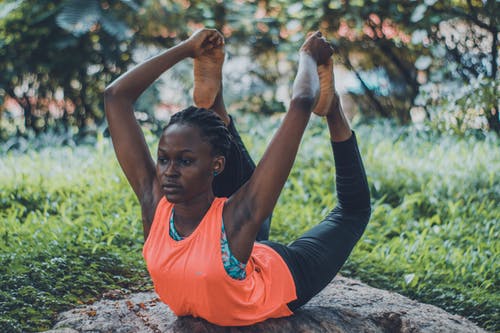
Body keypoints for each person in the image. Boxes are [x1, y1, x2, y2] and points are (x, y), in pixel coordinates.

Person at [104, 29, 371, 326]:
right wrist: (187, 47)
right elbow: (114, 97)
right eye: (163, 159)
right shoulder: (156, 202)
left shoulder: (234, 216)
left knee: (352, 212)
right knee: (236, 207)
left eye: (184, 161)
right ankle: (214, 102)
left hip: (276, 268)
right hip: (236, 246)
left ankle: (333, 108)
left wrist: (309, 55)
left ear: (218, 166)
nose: (168, 171)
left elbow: (301, 103)